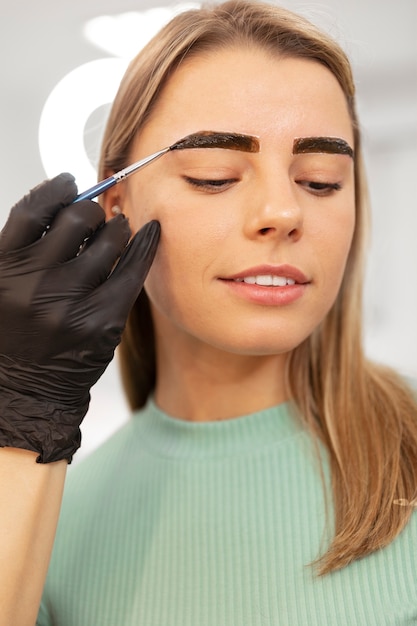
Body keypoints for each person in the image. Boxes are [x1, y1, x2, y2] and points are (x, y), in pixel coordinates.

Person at [0, 0, 416, 623]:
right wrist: (19, 420)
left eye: (321, 180)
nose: (284, 212)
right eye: (215, 176)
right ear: (116, 207)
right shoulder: (47, 526)